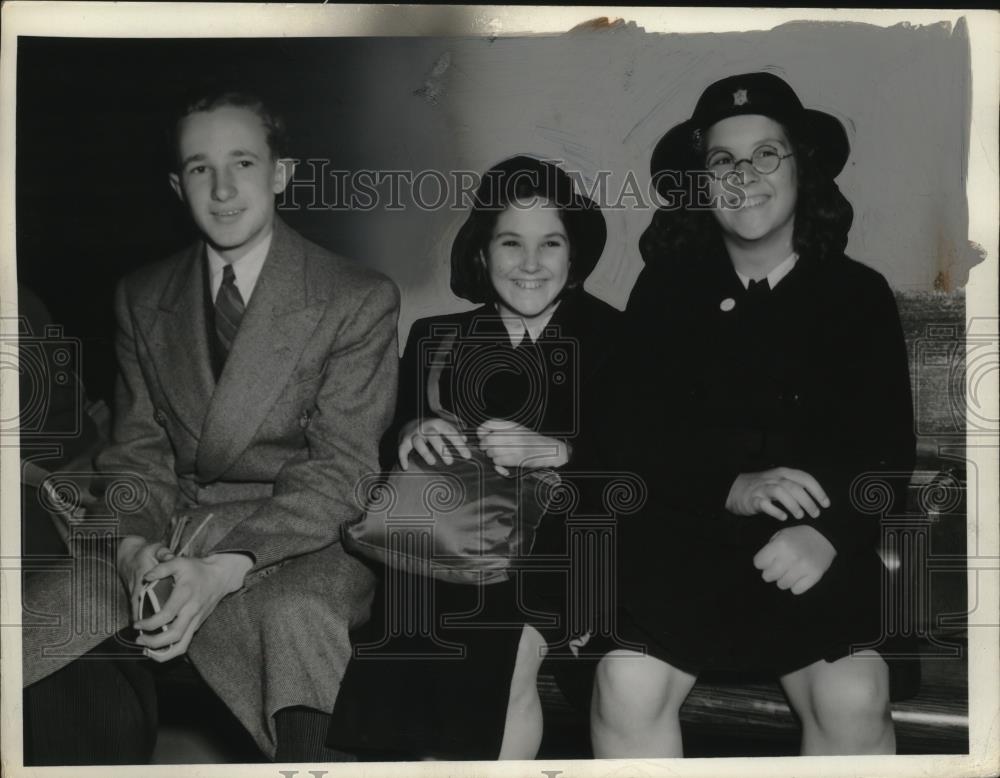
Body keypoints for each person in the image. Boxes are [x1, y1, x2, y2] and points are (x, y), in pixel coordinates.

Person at [21, 85, 400, 764]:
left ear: (281, 173)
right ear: (177, 184)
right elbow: (137, 462)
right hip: (167, 532)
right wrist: (134, 547)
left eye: (243, 163)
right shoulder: (142, 297)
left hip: (300, 542)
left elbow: (342, 474)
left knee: (294, 622)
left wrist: (222, 570)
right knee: (53, 618)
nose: (222, 189)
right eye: (200, 168)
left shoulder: (355, 297)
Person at [589, 72, 917, 757]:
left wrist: (829, 534)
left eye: (766, 154)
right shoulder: (666, 293)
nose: (745, 176)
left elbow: (885, 446)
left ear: (803, 167)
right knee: (624, 684)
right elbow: (630, 437)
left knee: (854, 697)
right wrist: (729, 487)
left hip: (811, 550)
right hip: (687, 544)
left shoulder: (857, 295)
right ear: (702, 183)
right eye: (722, 160)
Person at [327, 155, 619, 760]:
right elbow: (384, 446)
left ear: (575, 255)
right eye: (511, 242)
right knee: (405, 636)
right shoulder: (437, 337)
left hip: (576, 549)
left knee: (499, 651)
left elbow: (653, 464)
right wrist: (412, 430)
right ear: (483, 255)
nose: (532, 264)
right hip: (447, 544)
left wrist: (562, 450)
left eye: (551, 243)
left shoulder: (619, 340)